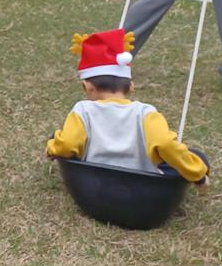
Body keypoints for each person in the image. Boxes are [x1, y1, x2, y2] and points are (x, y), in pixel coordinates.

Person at [47, 29, 209, 183]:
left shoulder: (82, 110)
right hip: (143, 188)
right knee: (195, 156)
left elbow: (67, 145)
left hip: (92, 186)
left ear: (88, 86)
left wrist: (52, 148)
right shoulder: (146, 113)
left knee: (58, 138)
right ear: (131, 86)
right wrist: (197, 173)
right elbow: (165, 144)